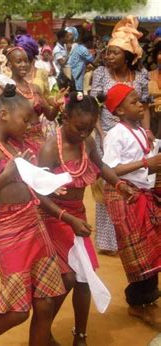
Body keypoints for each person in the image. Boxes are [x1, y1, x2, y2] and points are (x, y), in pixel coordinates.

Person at [0, 84, 90, 345]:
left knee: (45, 303)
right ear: (4, 115)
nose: (28, 125)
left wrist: (48, 185)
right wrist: (3, 179)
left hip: (34, 223)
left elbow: (27, 185)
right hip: (8, 229)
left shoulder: (16, 145)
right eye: (25, 119)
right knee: (17, 310)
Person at [38, 92, 133, 345]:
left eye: (90, 128)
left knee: (84, 279)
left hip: (77, 217)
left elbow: (101, 166)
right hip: (54, 217)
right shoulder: (50, 148)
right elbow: (38, 194)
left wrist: (118, 183)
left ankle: (80, 336)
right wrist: (66, 218)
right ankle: (42, 330)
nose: (84, 133)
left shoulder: (88, 142)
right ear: (65, 117)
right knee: (68, 278)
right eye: (80, 128)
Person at [101, 84, 161, 326]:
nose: (141, 105)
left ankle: (149, 299)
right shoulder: (116, 133)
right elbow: (109, 169)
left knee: (151, 248)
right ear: (120, 111)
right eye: (134, 102)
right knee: (139, 252)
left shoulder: (138, 130)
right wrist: (146, 162)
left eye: (139, 101)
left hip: (143, 193)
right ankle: (139, 303)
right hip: (126, 195)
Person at [90, 15, 150, 255]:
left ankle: (134, 234)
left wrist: (146, 131)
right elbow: (94, 107)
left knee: (135, 179)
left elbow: (144, 106)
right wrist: (102, 134)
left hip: (134, 135)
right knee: (109, 185)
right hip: (108, 134)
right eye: (108, 52)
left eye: (115, 53)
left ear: (127, 55)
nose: (108, 57)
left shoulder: (141, 76)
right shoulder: (101, 74)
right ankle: (109, 242)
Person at [6, 46, 63, 149]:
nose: (24, 65)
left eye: (26, 61)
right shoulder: (5, 89)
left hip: (39, 140)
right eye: (19, 62)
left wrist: (57, 104)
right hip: (18, 142)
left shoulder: (35, 89)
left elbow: (50, 116)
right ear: (10, 64)